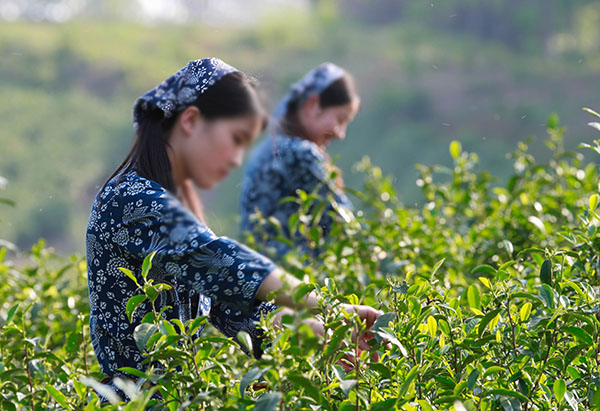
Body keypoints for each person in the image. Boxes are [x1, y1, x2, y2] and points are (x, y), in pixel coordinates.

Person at [86, 58, 380, 402]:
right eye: (235, 139)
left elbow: (227, 305)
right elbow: (223, 262)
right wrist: (328, 308)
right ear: (192, 122)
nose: (237, 158)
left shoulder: (171, 205)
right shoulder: (132, 199)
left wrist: (318, 335)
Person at [240, 62, 360, 257]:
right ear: (313, 105)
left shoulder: (269, 149)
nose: (341, 134)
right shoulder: (300, 153)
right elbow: (345, 226)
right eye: (340, 119)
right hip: (294, 279)